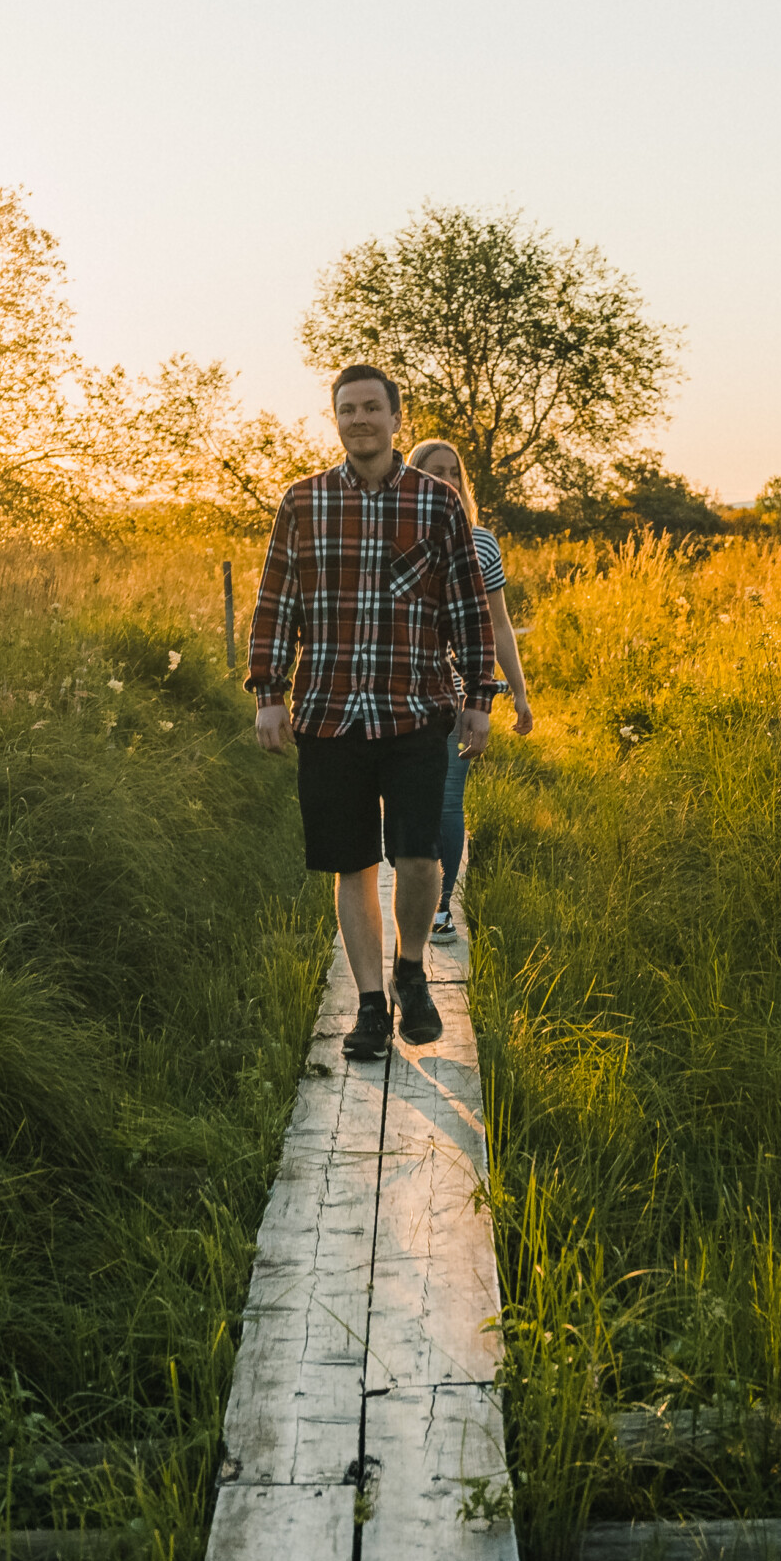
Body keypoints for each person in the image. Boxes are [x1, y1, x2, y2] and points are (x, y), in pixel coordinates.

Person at [247, 365, 497, 1061]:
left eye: (371, 408)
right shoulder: (302, 503)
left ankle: (411, 967)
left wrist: (480, 698)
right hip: (327, 714)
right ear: (336, 419)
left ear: (396, 418)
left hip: (415, 709)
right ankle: (368, 1006)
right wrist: (268, 694)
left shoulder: (437, 504)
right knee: (350, 863)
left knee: (419, 859)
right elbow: (275, 605)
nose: (358, 419)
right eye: (346, 409)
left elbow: (468, 611)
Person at [405, 437, 534, 940]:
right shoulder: (397, 533)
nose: (448, 481)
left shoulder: (482, 542)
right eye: (435, 471)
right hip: (404, 689)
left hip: (461, 691)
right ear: (414, 475)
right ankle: (410, 897)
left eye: (454, 472)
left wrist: (518, 691)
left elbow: (499, 623)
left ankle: (440, 905)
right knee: (408, 799)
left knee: (448, 800)